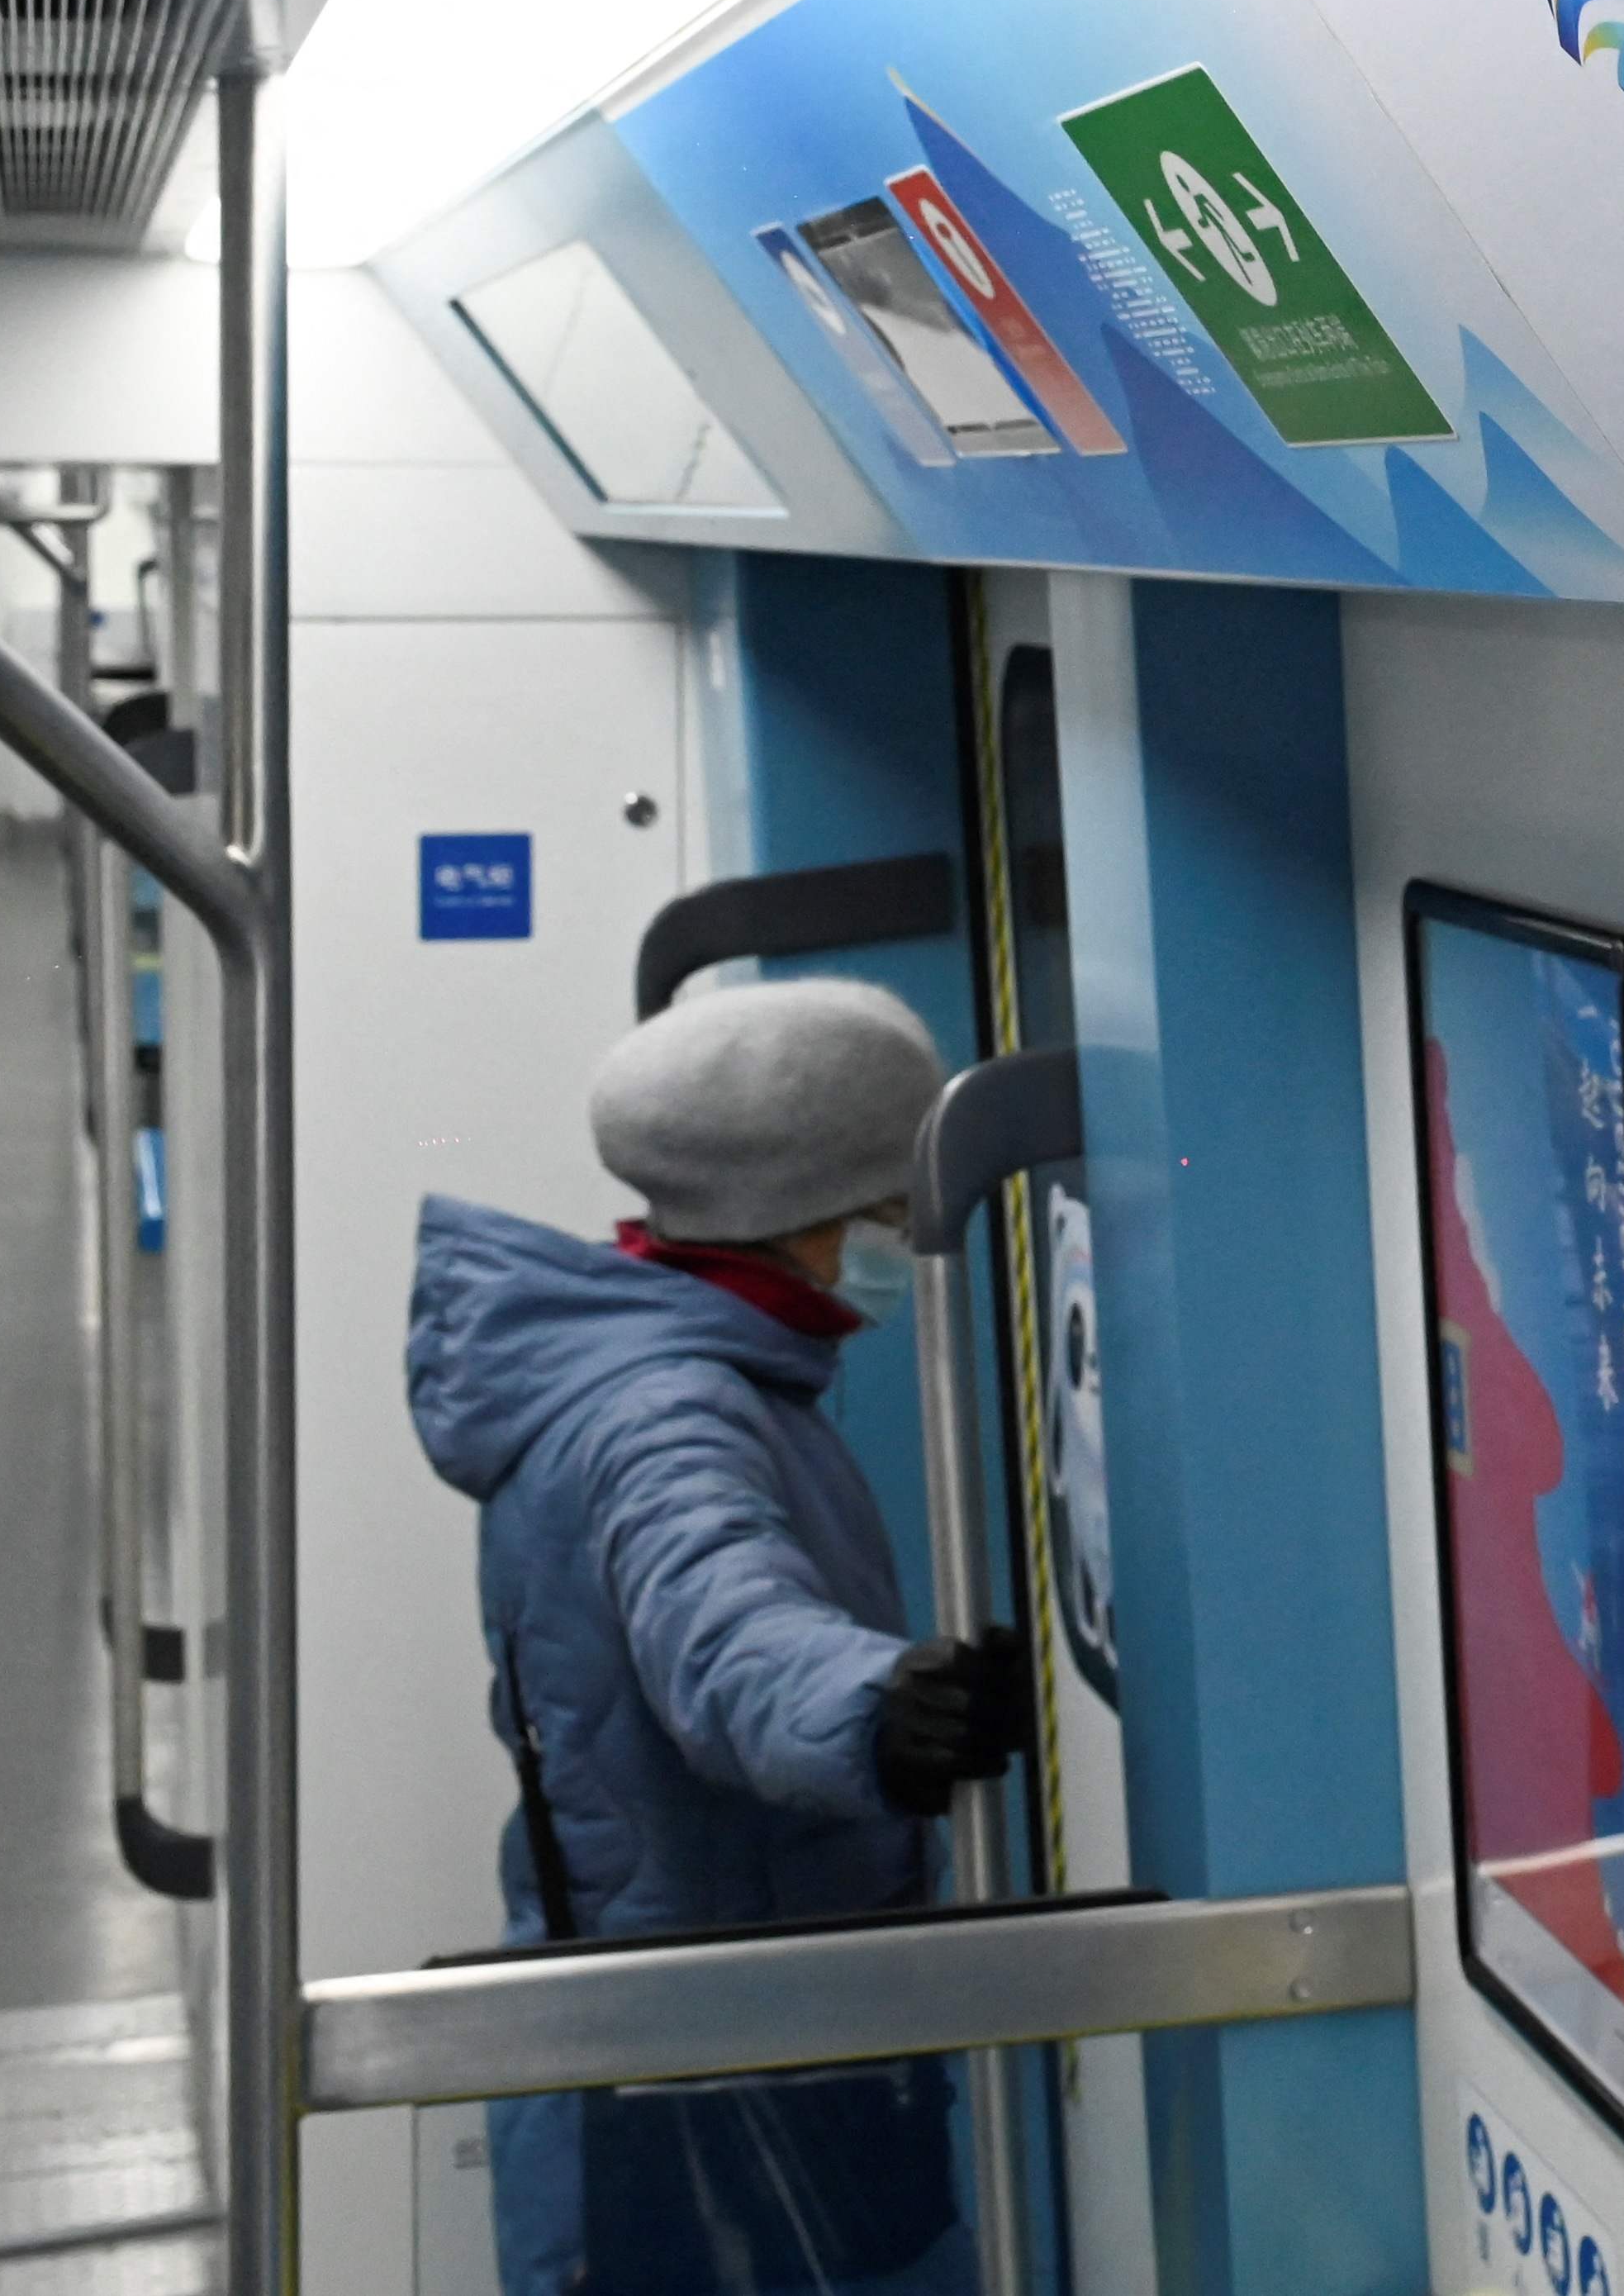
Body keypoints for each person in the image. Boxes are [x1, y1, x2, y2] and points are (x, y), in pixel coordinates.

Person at [409, 977, 1028, 2296]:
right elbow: (725, 1635)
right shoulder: (666, 1411)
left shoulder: (665, 1361)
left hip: (714, 2068)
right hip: (707, 2109)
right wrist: (877, 1703)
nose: (902, 1238)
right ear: (804, 1220)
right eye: (886, 1206)